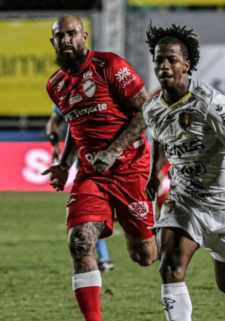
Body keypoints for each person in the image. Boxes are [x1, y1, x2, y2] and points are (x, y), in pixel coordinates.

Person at [41, 14, 158, 321]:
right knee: (80, 243)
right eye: (60, 36)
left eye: (72, 33)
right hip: (91, 175)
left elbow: (145, 111)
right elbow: (74, 125)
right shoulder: (55, 85)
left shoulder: (110, 67)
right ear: (53, 42)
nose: (66, 40)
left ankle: (176, 229)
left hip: (131, 170)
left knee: (144, 256)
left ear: (85, 37)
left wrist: (113, 150)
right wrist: (65, 164)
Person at [143, 23, 225, 321]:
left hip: (222, 204)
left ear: (187, 64)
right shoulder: (152, 108)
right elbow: (158, 139)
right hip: (183, 201)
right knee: (170, 267)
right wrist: (155, 173)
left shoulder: (212, 104)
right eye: (158, 60)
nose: (163, 65)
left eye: (171, 60)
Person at [45, 104, 115, 272]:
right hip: (89, 165)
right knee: (93, 213)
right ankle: (104, 259)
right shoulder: (72, 96)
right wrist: (55, 144)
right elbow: (54, 121)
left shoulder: (117, 89)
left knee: (142, 250)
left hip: (123, 162)